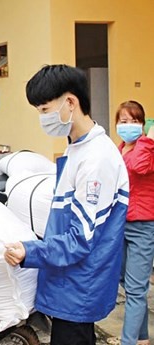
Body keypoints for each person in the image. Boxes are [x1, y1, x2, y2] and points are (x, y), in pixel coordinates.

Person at [4, 64, 129, 345]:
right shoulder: (78, 148)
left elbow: (81, 239)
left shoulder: (96, 158)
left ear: (70, 102)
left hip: (79, 285)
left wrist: (29, 252)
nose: (42, 118)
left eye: (45, 109)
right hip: (68, 281)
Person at [115, 100, 154, 345]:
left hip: (143, 225)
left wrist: (148, 140)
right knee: (126, 283)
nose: (129, 126)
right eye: (123, 121)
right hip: (121, 223)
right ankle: (141, 339)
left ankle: (128, 342)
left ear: (143, 124)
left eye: (135, 121)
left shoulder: (146, 149)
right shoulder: (120, 148)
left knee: (137, 288)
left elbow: (139, 168)